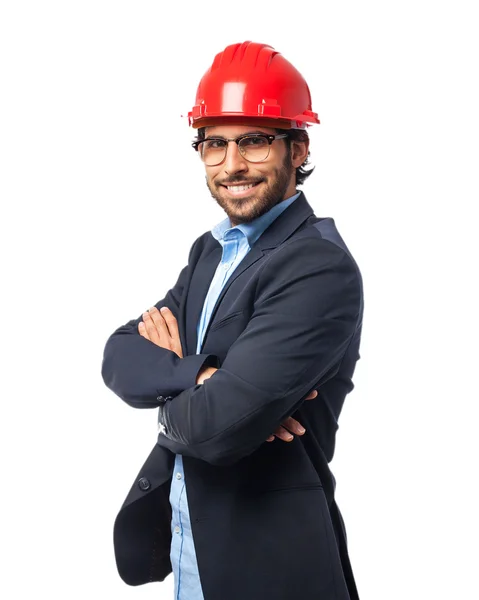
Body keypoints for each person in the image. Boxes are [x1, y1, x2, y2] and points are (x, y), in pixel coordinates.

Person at [101, 40, 364, 600]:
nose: (232, 165)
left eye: (253, 141)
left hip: (268, 571)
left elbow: (213, 430)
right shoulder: (210, 252)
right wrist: (202, 378)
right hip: (193, 556)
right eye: (214, 145)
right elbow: (120, 355)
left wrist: (189, 388)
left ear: (298, 148)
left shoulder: (317, 266)